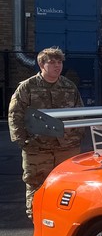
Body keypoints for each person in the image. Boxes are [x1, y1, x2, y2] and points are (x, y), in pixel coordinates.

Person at [8, 47, 84, 219]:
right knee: (36, 185)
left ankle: (62, 222)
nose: (57, 66)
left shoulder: (69, 86)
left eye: (60, 62)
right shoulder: (27, 87)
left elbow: (79, 113)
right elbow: (15, 115)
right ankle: (38, 223)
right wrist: (23, 141)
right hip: (38, 149)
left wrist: (77, 136)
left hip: (66, 147)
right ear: (41, 64)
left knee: (67, 185)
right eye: (52, 62)